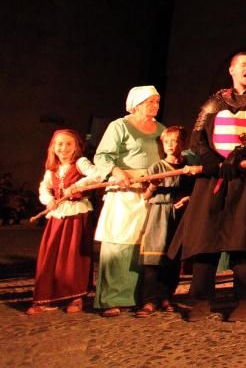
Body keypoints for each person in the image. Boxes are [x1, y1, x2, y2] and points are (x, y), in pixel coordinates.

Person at [168, 52, 246, 322]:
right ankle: (201, 299)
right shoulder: (214, 101)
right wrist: (209, 158)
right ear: (231, 70)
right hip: (214, 178)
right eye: (243, 65)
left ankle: (245, 300)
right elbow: (198, 137)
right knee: (204, 239)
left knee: (243, 240)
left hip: (244, 178)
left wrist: (238, 155)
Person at [93, 86, 165, 316]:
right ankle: (112, 298)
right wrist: (117, 172)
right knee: (119, 243)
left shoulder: (161, 130)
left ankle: (139, 296)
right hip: (124, 193)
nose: (155, 105)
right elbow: (102, 156)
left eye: (157, 101)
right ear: (136, 104)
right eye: (151, 101)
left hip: (149, 191)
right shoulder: (120, 126)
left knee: (143, 245)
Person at [29, 129, 101, 315]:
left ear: (76, 146)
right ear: (53, 147)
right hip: (58, 214)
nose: (64, 148)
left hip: (77, 214)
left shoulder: (80, 163)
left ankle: (75, 297)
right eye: (59, 144)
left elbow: (98, 175)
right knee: (50, 253)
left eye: (69, 144)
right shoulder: (51, 168)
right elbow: (44, 188)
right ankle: (45, 297)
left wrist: (77, 186)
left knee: (72, 256)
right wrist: (48, 200)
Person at [135, 126, 196, 318]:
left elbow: (194, 192)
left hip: (178, 216)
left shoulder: (188, 167)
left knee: (172, 258)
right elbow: (144, 195)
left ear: (182, 143)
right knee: (153, 258)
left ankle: (167, 297)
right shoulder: (157, 167)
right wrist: (152, 186)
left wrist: (187, 200)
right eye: (167, 141)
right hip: (159, 214)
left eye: (175, 141)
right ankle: (149, 300)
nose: (170, 145)